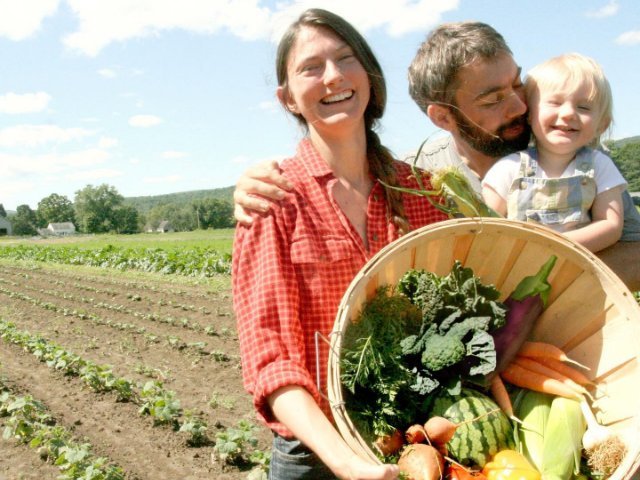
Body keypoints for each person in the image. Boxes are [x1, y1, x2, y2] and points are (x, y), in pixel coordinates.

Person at [233, 21, 640, 290]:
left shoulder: (565, 149)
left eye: (517, 85)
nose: (518, 106)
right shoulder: (420, 179)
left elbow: (634, 252)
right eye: (494, 99)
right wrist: (254, 185)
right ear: (443, 116)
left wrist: (538, 279)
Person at [232, 8, 447, 479]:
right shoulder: (274, 201)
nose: (332, 77)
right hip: (316, 457)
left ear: (368, 74)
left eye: (346, 58)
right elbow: (271, 359)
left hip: (416, 442)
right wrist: (344, 461)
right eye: (311, 67)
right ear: (288, 97)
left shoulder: (425, 193)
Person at [481, 53, 626, 253]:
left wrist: (553, 247)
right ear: (529, 114)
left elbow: (610, 226)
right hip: (515, 268)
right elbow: (486, 227)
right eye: (555, 103)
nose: (568, 113)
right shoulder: (508, 169)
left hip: (576, 273)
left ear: (602, 124)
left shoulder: (599, 165)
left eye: (583, 107)